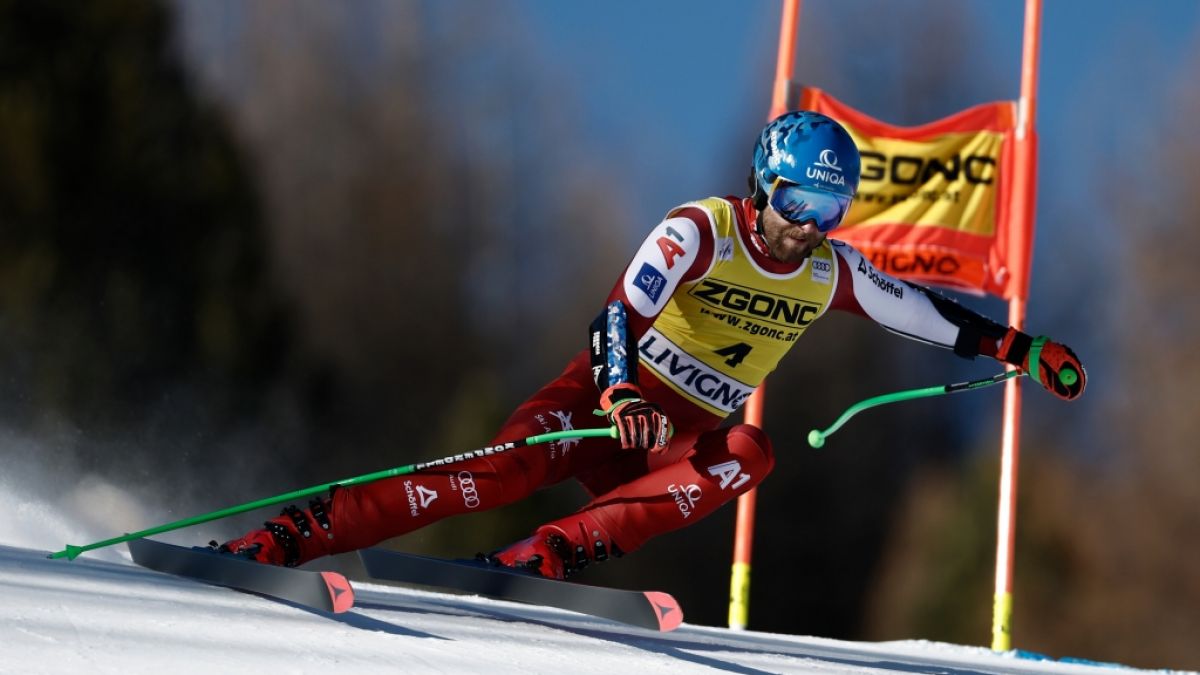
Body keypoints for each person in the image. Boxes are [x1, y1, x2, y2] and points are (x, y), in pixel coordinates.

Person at [218, 111, 1085, 578]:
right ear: (762, 188)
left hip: (671, 441)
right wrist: (620, 393)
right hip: (605, 401)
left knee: (749, 450)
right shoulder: (700, 230)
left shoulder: (831, 273)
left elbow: (931, 315)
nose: (804, 231)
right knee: (501, 470)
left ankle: (555, 551)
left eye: (827, 215)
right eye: (794, 206)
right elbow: (614, 318)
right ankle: (304, 530)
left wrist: (1023, 346)